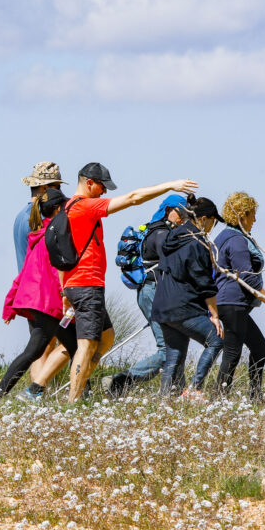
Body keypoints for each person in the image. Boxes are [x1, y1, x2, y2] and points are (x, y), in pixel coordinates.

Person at [58, 163, 198, 403]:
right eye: (102, 186)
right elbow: (133, 198)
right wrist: (169, 186)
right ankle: (74, 401)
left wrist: (64, 291)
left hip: (77, 284)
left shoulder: (68, 207)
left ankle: (83, 388)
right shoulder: (84, 206)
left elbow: (62, 251)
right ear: (89, 182)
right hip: (86, 283)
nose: (104, 192)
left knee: (107, 337)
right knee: (86, 345)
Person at [0, 188, 77, 398]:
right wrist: (68, 297)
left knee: (73, 347)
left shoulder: (38, 236)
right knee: (36, 351)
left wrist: (9, 306)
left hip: (40, 304)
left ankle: (81, 394)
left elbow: (22, 274)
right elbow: (58, 271)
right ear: (58, 209)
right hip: (50, 304)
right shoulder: (56, 235)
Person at [151, 197, 225, 399]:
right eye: (213, 221)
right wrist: (215, 315)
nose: (213, 225)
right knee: (216, 340)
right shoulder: (197, 243)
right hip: (182, 305)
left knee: (174, 353)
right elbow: (204, 283)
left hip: (162, 305)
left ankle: (164, 401)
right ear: (203, 219)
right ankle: (193, 389)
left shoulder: (173, 236)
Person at [213, 192, 265, 400]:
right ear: (242, 215)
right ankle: (219, 399)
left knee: (258, 347)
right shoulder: (236, 240)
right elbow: (247, 277)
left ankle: (253, 395)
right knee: (232, 353)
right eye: (252, 214)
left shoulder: (223, 236)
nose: (254, 219)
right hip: (233, 302)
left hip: (228, 302)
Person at [15, 162, 65, 272]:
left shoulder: (20, 216)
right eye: (58, 187)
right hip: (40, 285)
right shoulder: (40, 217)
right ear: (45, 188)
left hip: (25, 285)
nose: (60, 192)